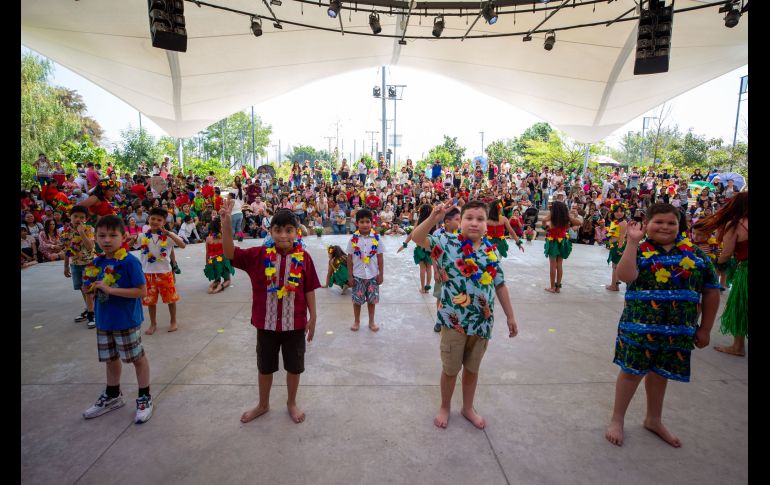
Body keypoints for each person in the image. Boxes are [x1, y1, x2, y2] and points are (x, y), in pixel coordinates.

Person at [605, 203, 720, 447]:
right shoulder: (639, 249)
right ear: (646, 224)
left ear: (680, 225)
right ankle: (617, 419)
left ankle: (653, 419)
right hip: (639, 329)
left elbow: (711, 291)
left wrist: (706, 328)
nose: (665, 227)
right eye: (659, 222)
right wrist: (632, 242)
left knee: (660, 375)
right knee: (630, 374)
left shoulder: (695, 255)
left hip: (678, 332)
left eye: (671, 223)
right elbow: (625, 276)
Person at [411, 199, 519, 429]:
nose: (474, 223)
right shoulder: (446, 242)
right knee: (450, 370)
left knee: (472, 369)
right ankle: (445, 406)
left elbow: (499, 285)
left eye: (480, 219)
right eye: (468, 218)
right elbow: (417, 238)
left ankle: (468, 407)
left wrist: (510, 316)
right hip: (454, 322)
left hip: (482, 324)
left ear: (487, 224)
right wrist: (433, 218)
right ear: (459, 222)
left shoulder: (492, 251)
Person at [221, 203, 320, 424]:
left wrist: (313, 317)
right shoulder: (258, 255)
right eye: (278, 230)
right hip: (265, 325)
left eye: (288, 230)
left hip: (294, 325)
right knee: (265, 367)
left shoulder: (304, 258)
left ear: (297, 232)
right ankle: (263, 404)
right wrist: (226, 225)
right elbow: (230, 253)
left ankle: (291, 403)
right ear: (271, 231)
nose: (283, 235)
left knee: (294, 368)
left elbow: (309, 289)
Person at [81, 215, 153, 424]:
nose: (106, 240)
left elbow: (141, 291)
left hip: (126, 320)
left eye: (113, 235)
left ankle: (144, 396)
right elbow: (92, 287)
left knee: (137, 359)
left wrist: (111, 289)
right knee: (111, 359)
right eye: (102, 235)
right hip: (104, 320)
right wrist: (88, 288)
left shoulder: (129, 261)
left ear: (123, 237)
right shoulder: (98, 261)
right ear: (95, 238)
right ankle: (113, 395)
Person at [694, 192, 748, 357]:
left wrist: (717, 266)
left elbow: (726, 253)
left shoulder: (736, 224)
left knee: (741, 306)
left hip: (746, 269)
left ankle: (738, 346)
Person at [140, 208, 186, 335]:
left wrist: (170, 234)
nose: (155, 221)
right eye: (153, 218)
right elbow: (128, 245)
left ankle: (173, 321)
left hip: (165, 272)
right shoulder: (142, 236)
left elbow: (182, 245)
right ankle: (153, 323)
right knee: (150, 301)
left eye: (159, 220)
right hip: (147, 273)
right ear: (148, 219)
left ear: (164, 222)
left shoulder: (168, 236)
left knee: (170, 299)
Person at [346, 208, 384, 332]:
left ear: (372, 223)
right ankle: (356, 321)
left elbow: (380, 257)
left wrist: (381, 274)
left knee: (372, 301)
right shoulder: (353, 240)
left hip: (373, 275)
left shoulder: (377, 239)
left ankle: (371, 321)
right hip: (358, 275)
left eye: (368, 222)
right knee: (357, 301)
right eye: (362, 222)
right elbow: (349, 258)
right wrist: (350, 276)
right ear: (357, 223)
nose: (365, 224)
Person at [62, 206, 97, 328]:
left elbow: (90, 247)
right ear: (70, 217)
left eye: (82, 217)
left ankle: (92, 314)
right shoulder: (65, 232)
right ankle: (89, 309)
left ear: (86, 219)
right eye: (75, 216)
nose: (78, 219)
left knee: (89, 289)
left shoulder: (89, 229)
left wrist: (81, 232)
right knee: (82, 289)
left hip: (89, 263)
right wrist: (66, 266)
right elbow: (66, 250)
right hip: (75, 264)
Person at [430, 207, 461, 332]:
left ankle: (453, 319)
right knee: (440, 296)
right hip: (442, 272)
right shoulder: (439, 235)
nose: (460, 223)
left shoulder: (461, 236)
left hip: (457, 274)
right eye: (457, 219)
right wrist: (436, 271)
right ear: (447, 221)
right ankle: (439, 320)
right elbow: (434, 255)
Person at [542, 201, 582, 293]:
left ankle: (552, 287)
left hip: (553, 242)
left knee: (553, 264)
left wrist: (546, 226)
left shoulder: (552, 217)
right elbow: (579, 222)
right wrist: (569, 219)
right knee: (559, 264)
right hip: (563, 241)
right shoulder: (566, 218)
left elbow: (544, 221)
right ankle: (558, 287)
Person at [397, 204, 434, 293]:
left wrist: (405, 244)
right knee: (429, 268)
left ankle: (422, 288)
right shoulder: (433, 221)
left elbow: (412, 234)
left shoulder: (419, 221)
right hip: (430, 246)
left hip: (420, 246)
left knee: (422, 267)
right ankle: (427, 288)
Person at [203, 220, 235, 294]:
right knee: (228, 280)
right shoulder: (223, 237)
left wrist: (207, 264)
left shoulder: (208, 239)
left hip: (212, 261)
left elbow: (207, 253)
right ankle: (220, 287)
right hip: (222, 261)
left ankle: (211, 286)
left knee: (217, 280)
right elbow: (230, 250)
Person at [605, 201, 628, 291]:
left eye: (621, 211)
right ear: (613, 212)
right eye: (617, 211)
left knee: (615, 266)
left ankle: (613, 286)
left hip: (618, 246)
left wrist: (620, 249)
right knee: (615, 266)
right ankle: (615, 285)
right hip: (614, 245)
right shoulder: (615, 222)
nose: (619, 213)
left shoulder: (623, 223)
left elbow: (622, 236)